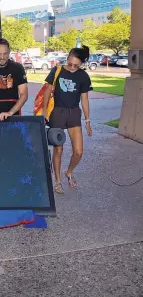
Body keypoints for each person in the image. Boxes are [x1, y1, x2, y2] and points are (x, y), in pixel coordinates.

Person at [42, 45, 93, 194]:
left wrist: (87, 120)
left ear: (81, 64)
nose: (71, 67)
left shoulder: (83, 76)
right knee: (58, 149)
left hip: (73, 114)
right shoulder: (57, 70)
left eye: (75, 65)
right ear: (68, 56)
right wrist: (44, 112)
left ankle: (68, 172)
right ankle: (57, 181)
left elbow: (84, 99)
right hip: (57, 112)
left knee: (78, 151)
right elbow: (47, 91)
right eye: (69, 63)